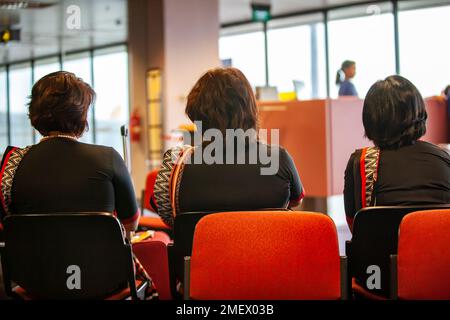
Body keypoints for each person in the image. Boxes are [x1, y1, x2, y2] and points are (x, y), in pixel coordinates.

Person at [0, 71, 157, 299]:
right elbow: (131, 224)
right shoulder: (108, 158)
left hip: (34, 280)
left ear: (34, 114)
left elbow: (8, 225)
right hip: (104, 279)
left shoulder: (11, 164)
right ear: (82, 115)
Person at [150, 67, 304, 228]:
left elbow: (169, 217)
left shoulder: (174, 164)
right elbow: (295, 201)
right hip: (268, 252)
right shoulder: (278, 159)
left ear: (197, 115)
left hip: (200, 253)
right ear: (249, 111)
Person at [344, 75, 450, 232]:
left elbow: (356, 226)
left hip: (378, 255)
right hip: (438, 255)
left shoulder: (360, 162)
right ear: (420, 114)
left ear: (370, 119)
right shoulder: (444, 159)